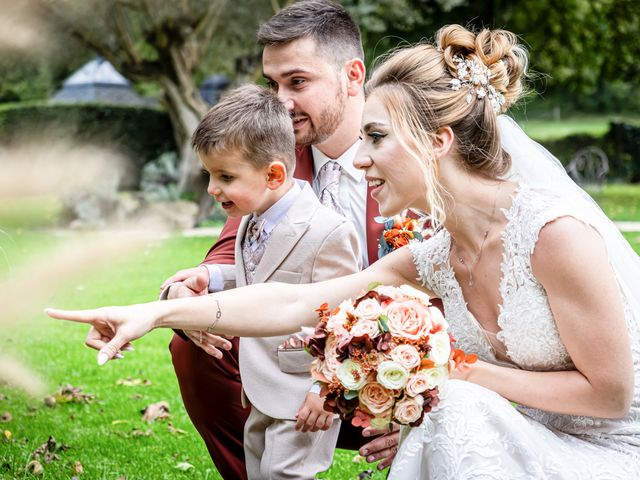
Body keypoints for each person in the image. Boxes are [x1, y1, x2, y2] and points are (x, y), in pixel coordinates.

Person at [48, 23, 640, 478]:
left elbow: (608, 395)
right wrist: (156, 314)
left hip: (612, 452)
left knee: (455, 405)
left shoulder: (555, 235)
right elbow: (298, 302)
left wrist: (446, 378)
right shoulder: (436, 254)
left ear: (437, 142)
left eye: (376, 139)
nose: (359, 160)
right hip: (528, 436)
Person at [159, 2, 395, 478]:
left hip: (395, 368)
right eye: (273, 83)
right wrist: (192, 288)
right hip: (291, 377)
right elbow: (234, 253)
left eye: (298, 82)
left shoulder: (405, 157)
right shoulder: (269, 165)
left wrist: (416, 398)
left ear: (353, 77)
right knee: (193, 346)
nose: (281, 101)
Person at [186, 83, 362, 479]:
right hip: (260, 386)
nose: (213, 189)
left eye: (225, 177)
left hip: (304, 391)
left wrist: (328, 390)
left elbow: (348, 318)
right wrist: (211, 276)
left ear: (273, 173)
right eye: (210, 175)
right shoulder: (252, 218)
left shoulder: (327, 231)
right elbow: (263, 278)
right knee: (259, 470)